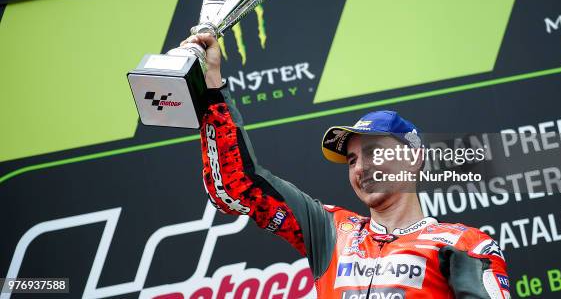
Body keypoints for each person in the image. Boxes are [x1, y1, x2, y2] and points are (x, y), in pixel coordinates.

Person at [182, 32, 511, 298]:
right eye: (352, 159)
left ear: (413, 158)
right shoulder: (331, 231)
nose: (360, 167)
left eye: (372, 152)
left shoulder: (463, 244)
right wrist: (212, 84)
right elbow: (237, 185)